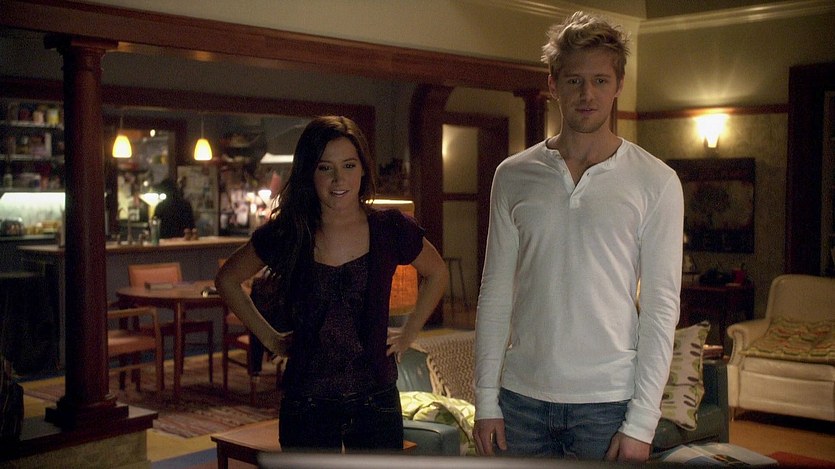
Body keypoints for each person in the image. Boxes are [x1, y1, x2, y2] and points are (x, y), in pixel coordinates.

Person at [473, 11, 684, 463]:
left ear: (618, 84)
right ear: (553, 84)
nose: (587, 94)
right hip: (520, 399)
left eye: (600, 81)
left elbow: (661, 308)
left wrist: (642, 422)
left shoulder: (656, 181)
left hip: (608, 404)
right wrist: (486, 399)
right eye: (574, 81)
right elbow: (494, 293)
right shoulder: (512, 175)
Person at [215, 116, 448, 453]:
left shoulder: (390, 228)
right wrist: (270, 338)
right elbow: (227, 279)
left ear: (363, 169)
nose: (339, 179)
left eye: (349, 165)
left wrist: (410, 331)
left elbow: (437, 272)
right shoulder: (291, 231)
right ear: (310, 172)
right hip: (307, 402)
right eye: (325, 168)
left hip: (375, 400)